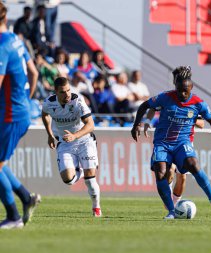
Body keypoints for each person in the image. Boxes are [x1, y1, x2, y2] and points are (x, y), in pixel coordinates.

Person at [131, 66, 211, 219]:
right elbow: (146, 105)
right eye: (179, 90)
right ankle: (171, 211)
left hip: (182, 143)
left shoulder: (198, 103)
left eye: (186, 91)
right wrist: (137, 124)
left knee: (193, 164)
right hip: (162, 143)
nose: (182, 94)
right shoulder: (165, 97)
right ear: (175, 86)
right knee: (161, 172)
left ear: (191, 87)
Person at [0, 2, 41, 229]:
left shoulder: (2, 45)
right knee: (0, 162)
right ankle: (26, 198)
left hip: (9, 115)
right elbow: (33, 72)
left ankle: (13, 216)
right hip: (19, 111)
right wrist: (25, 101)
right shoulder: (16, 40)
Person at [41, 77, 102, 217]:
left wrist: (75, 135)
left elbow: (90, 125)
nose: (67, 94)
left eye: (68, 90)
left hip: (85, 141)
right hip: (64, 143)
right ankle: (80, 170)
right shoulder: (49, 103)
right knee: (68, 180)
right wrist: (50, 135)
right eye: (63, 92)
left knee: (91, 180)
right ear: (56, 92)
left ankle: (96, 207)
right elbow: (44, 115)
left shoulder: (77, 101)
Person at [144, 109, 205, 207]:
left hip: (185, 144)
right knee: (170, 170)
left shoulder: (194, 105)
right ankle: (169, 203)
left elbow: (202, 124)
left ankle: (175, 204)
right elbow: (152, 107)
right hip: (168, 142)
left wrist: (187, 118)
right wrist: (147, 122)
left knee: (182, 177)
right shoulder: (169, 100)